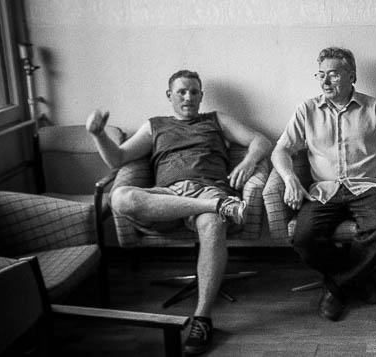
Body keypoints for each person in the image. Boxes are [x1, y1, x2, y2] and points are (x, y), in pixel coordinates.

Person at [86, 69, 272, 355]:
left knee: (213, 224)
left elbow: (262, 141)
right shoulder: (154, 126)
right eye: (182, 92)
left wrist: (248, 162)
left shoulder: (216, 120)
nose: (188, 97)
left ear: (201, 95)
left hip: (209, 188)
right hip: (169, 196)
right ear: (169, 95)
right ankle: (218, 207)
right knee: (120, 197)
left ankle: (202, 318)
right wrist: (98, 134)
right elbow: (118, 158)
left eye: (194, 92)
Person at [271, 47, 376, 321]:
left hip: (367, 188)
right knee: (303, 237)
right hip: (324, 190)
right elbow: (280, 150)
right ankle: (358, 278)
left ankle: (335, 287)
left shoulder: (374, 108)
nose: (325, 81)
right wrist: (289, 178)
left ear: (351, 76)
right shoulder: (307, 110)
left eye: (334, 75)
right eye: (321, 75)